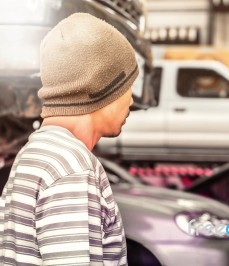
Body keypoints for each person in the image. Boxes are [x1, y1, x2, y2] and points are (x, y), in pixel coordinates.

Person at [0, 13, 139, 265]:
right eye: (128, 86)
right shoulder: (71, 168)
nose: (131, 101)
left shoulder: (31, 154)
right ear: (104, 86)